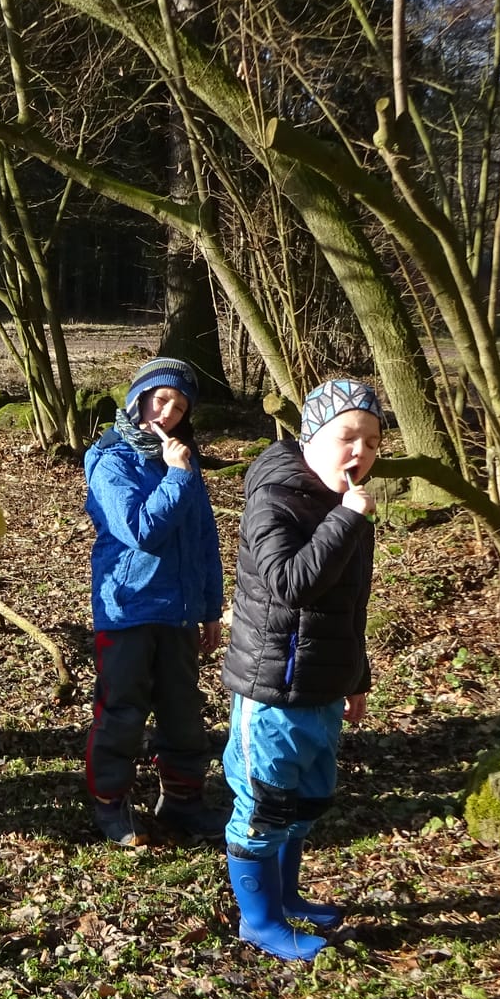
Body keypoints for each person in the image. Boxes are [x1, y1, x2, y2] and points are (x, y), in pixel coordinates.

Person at [219, 378, 384, 963]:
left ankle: (287, 896)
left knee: (304, 802)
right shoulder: (276, 499)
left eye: (372, 441)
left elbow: (350, 604)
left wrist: (355, 677)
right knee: (264, 806)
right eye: (347, 437)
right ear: (311, 436)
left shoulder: (346, 504)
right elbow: (291, 583)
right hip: (273, 690)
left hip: (323, 686)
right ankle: (260, 921)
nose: (360, 452)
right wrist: (347, 520)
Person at [81, 357, 226, 848]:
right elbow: (140, 529)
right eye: (161, 400)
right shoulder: (110, 458)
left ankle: (183, 800)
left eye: (179, 407)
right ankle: (110, 803)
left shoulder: (183, 459)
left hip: (179, 608)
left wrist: (210, 607)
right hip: (128, 607)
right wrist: (176, 476)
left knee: (183, 711)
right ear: (138, 400)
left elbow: (203, 537)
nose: (167, 414)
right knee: (122, 711)